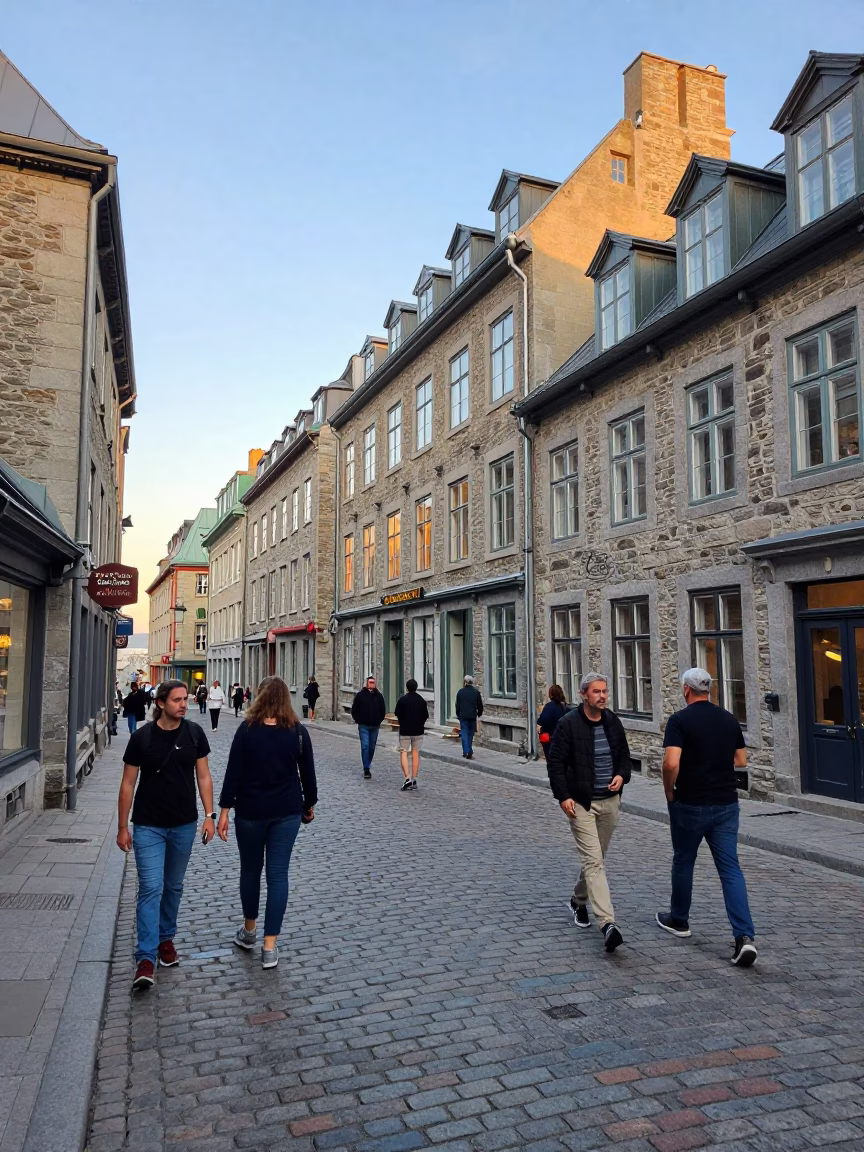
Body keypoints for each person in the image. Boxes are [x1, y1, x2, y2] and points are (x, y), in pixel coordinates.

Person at [116, 680, 215, 990]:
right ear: (160, 704)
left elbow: (204, 775)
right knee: (150, 887)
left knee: (173, 886)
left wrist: (210, 816)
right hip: (148, 825)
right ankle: (145, 958)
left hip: (184, 823)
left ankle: (165, 940)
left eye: (185, 699)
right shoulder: (142, 738)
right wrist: (122, 827)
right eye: (176, 700)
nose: (183, 705)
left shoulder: (194, 734)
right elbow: (128, 784)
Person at [657, 668, 758, 968]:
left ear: (686, 690)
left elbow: (670, 762)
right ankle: (744, 937)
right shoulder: (728, 718)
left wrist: (669, 792)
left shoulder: (680, 720)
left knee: (684, 860)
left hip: (690, 802)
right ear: (709, 690)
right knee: (730, 869)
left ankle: (680, 920)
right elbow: (741, 760)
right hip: (726, 803)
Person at [218, 676, 317, 970]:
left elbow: (232, 772)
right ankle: (270, 947)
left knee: (250, 872)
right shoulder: (297, 732)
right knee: (278, 876)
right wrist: (308, 805)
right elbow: (308, 775)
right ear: (286, 699)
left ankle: (249, 932)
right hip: (286, 811)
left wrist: (224, 811)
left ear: (259, 697)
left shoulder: (247, 730)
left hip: (250, 811)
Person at [546, 672, 631, 953]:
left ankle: (578, 899)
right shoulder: (567, 724)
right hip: (581, 802)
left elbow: (623, 757)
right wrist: (563, 796)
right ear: (584, 694)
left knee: (596, 857)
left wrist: (621, 775)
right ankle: (608, 923)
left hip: (609, 801)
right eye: (596, 692)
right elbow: (555, 763)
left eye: (605, 691)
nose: (603, 696)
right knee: (594, 861)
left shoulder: (612, 722)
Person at [394, 679, 429, 792]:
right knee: (415, 753)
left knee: (404, 752)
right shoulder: (421, 700)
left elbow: (397, 713)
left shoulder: (402, 700)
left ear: (407, 687)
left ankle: (407, 778)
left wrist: (403, 722)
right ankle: (414, 778)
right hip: (418, 730)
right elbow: (425, 715)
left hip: (405, 730)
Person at [351, 676, 386, 779]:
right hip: (364, 725)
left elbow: (383, 710)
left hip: (375, 725)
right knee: (365, 746)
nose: (372, 684)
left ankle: (368, 763)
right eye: (370, 682)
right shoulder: (360, 696)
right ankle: (366, 768)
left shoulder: (379, 696)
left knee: (371, 747)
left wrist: (379, 720)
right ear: (366, 684)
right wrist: (358, 720)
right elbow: (354, 709)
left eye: (373, 682)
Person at [454, 675, 483, 759]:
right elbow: (480, 705)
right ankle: (468, 750)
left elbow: (457, 705)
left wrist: (458, 714)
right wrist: (479, 714)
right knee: (470, 734)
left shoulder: (461, 692)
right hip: (472, 716)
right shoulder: (476, 692)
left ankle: (466, 751)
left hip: (463, 716)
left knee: (464, 733)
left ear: (465, 682)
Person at [537, 685, 568, 761]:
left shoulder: (549, 706)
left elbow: (542, 720)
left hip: (551, 738)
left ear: (551, 695)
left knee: (551, 760)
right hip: (563, 737)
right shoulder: (564, 706)